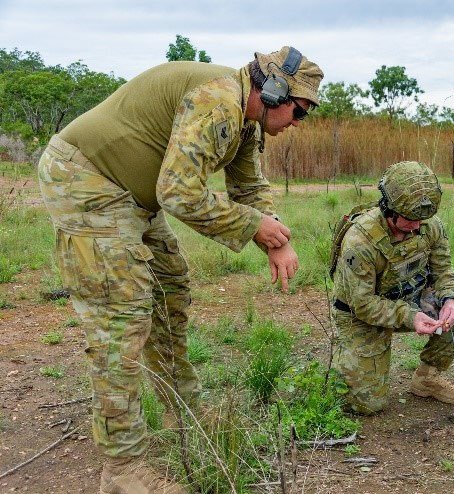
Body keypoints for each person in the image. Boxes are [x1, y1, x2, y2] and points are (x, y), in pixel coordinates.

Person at [37, 46, 323, 493]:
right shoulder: (218, 100)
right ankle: (122, 468)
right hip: (87, 180)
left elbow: (249, 185)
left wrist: (276, 236)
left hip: (135, 196)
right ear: (273, 90)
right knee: (122, 317)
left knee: (170, 286)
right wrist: (253, 228)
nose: (297, 124)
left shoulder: (246, 121)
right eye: (299, 112)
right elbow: (179, 193)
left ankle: (180, 408)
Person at [331, 161, 454, 415]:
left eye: (422, 219)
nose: (417, 227)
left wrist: (451, 299)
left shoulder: (428, 224)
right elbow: (363, 304)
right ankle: (348, 365)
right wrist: (410, 317)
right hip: (361, 315)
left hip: (408, 297)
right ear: (389, 210)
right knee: (366, 405)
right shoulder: (360, 242)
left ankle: (427, 378)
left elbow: (443, 272)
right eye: (409, 221)